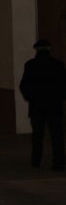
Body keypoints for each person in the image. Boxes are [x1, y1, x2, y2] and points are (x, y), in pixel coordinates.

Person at [19, 39, 66, 171]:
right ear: (49, 49)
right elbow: (64, 84)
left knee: (37, 136)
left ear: (37, 50)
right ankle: (59, 162)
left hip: (37, 106)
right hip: (54, 106)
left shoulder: (31, 65)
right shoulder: (58, 65)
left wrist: (31, 98)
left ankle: (36, 161)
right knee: (57, 136)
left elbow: (24, 85)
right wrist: (60, 98)